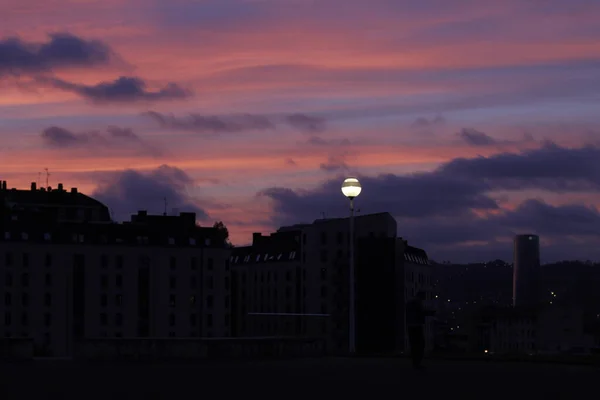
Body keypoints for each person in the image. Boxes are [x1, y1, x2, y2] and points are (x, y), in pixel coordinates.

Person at [406, 291, 435, 369]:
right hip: (416, 326)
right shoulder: (417, 303)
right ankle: (417, 363)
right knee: (419, 344)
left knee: (415, 345)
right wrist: (431, 313)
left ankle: (415, 363)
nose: (424, 299)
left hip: (411, 326)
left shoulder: (411, 303)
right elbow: (421, 313)